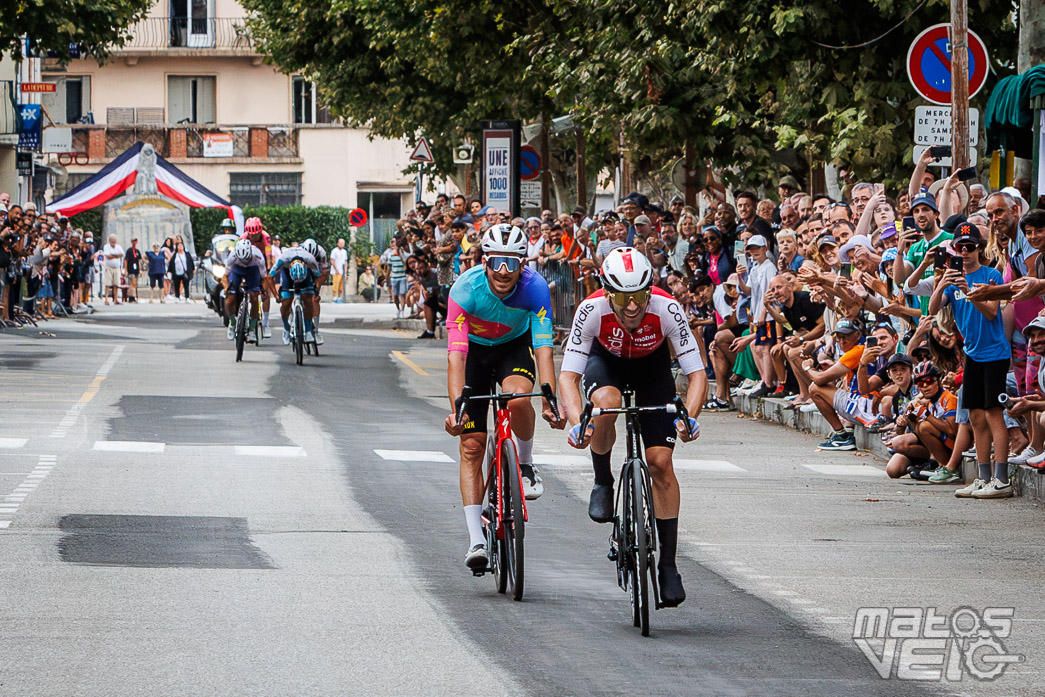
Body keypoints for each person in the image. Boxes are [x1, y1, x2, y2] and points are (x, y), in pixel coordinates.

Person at [558, 247, 707, 608]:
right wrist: (580, 422)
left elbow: (697, 372)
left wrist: (690, 415)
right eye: (622, 297)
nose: (631, 306)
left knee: (660, 463)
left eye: (639, 296)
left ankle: (668, 566)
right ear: (607, 291)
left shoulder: (666, 307)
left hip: (651, 367)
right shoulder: (591, 309)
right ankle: (603, 480)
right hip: (606, 363)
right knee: (605, 407)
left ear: (649, 291)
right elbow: (568, 376)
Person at [443, 223, 565, 572]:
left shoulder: (536, 288)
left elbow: (543, 348)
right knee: (471, 446)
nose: (503, 272)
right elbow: (456, 357)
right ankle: (476, 541)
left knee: (518, 399)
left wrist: (550, 399)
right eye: (496, 261)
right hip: (475, 355)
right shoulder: (465, 290)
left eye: (512, 264)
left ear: (523, 265)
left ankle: (524, 464)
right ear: (484, 261)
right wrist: (458, 412)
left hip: (513, 348)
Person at [928, 222, 1012, 498]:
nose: (964, 252)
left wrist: (969, 290)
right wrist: (943, 282)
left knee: (993, 413)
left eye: (970, 247)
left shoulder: (991, 276)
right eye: (960, 247)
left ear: (978, 249)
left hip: (994, 353)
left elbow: (991, 313)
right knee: (975, 415)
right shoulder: (952, 281)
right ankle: (982, 475)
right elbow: (931, 309)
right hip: (972, 354)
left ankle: (1002, 478)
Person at [884, 362, 958, 479]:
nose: (925, 386)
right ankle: (928, 463)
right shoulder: (927, 401)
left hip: (952, 445)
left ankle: (944, 466)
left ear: (939, 380)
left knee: (924, 426)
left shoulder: (949, 398)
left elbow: (952, 431)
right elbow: (909, 431)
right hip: (931, 444)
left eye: (929, 381)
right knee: (893, 470)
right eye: (920, 383)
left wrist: (927, 415)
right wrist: (906, 421)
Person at [269, 245, 322, 344]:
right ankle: (286, 328)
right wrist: (276, 295)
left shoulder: (310, 259)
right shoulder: (283, 259)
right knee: (286, 302)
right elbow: (269, 276)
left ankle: (308, 331)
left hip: (305, 277)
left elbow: (318, 276)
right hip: (287, 275)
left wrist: (316, 290)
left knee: (308, 299)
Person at [225, 238, 275, 340]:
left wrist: (263, 291)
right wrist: (226, 287)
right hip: (237, 270)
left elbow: (264, 278)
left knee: (254, 298)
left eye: (247, 260)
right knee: (229, 300)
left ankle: (252, 329)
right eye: (242, 260)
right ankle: (232, 323)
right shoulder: (232, 256)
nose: (245, 262)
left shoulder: (258, 256)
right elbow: (225, 276)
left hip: (253, 271)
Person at [241, 217, 274, 338]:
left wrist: (269, 272)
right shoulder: (243, 237)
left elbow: (269, 257)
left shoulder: (266, 237)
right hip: (249, 261)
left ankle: (266, 324)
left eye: (256, 235)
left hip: (262, 260)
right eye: (251, 235)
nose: (254, 237)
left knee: (265, 292)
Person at [102, 233, 124, 305]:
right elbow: (108, 256)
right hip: (109, 267)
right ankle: (106, 299)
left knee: (116, 283)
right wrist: (116, 255)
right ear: (109, 240)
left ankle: (116, 299)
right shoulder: (106, 246)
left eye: (114, 241)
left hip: (117, 267)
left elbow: (122, 254)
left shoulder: (118, 247)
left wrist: (113, 255)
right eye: (112, 241)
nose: (113, 242)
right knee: (108, 283)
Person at [330, 237, 349, 303]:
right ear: (337, 243)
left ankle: (339, 297)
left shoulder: (344, 252)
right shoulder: (334, 251)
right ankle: (334, 298)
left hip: (342, 271)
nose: (342, 244)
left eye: (343, 243)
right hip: (336, 272)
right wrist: (336, 269)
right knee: (335, 285)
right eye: (340, 243)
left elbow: (345, 261)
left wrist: (345, 271)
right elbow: (332, 260)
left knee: (341, 286)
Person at [124, 237, 142, 303]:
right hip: (130, 269)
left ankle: (133, 296)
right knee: (132, 283)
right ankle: (131, 297)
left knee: (135, 284)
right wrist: (126, 270)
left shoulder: (137, 251)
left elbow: (139, 261)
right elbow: (126, 260)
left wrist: (140, 270)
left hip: (136, 270)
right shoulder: (129, 251)